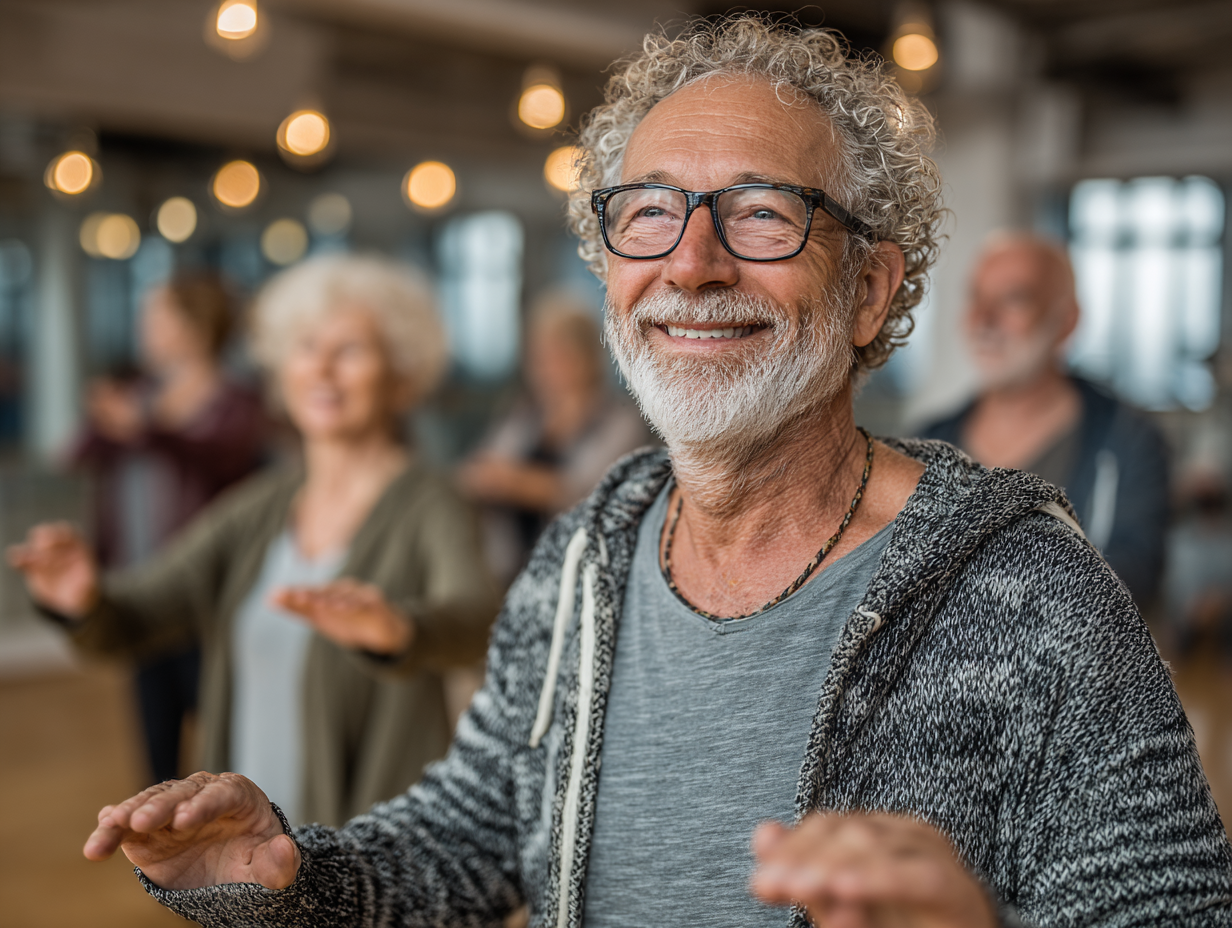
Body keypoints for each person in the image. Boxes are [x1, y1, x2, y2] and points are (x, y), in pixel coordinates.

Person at [67, 17, 1231, 928]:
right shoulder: (589, 552)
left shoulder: (1035, 595)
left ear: (869, 289)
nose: (691, 263)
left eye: (763, 214)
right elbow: (473, 832)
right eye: (649, 214)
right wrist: (289, 874)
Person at [10, 253, 498, 828]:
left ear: (401, 373)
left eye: (350, 351)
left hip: (367, 846)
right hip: (245, 844)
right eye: (305, 347)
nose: (321, 371)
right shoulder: (260, 505)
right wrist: (82, 600)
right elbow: (141, 612)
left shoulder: (430, 502)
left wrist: (401, 630)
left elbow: (476, 621)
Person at [72, 271, 268, 784]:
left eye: (156, 315)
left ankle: (241, 853)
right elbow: (78, 453)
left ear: (195, 327)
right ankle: (160, 857)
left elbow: (220, 458)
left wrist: (149, 428)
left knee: (223, 731)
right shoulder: (140, 396)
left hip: (210, 598)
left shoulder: (235, 401)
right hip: (141, 587)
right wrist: (105, 420)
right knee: (155, 742)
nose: (144, 326)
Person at [921, 233, 1170, 604]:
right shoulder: (929, 445)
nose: (984, 319)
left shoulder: (1128, 442)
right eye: (977, 297)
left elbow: (1134, 581)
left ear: (1066, 321)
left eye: (1014, 298)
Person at [458, 291, 651, 582]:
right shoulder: (526, 414)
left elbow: (593, 494)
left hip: (586, 570)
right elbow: (479, 471)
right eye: (539, 356)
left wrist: (513, 481)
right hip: (512, 569)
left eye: (558, 355)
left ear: (587, 357)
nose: (545, 367)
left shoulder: (620, 420)